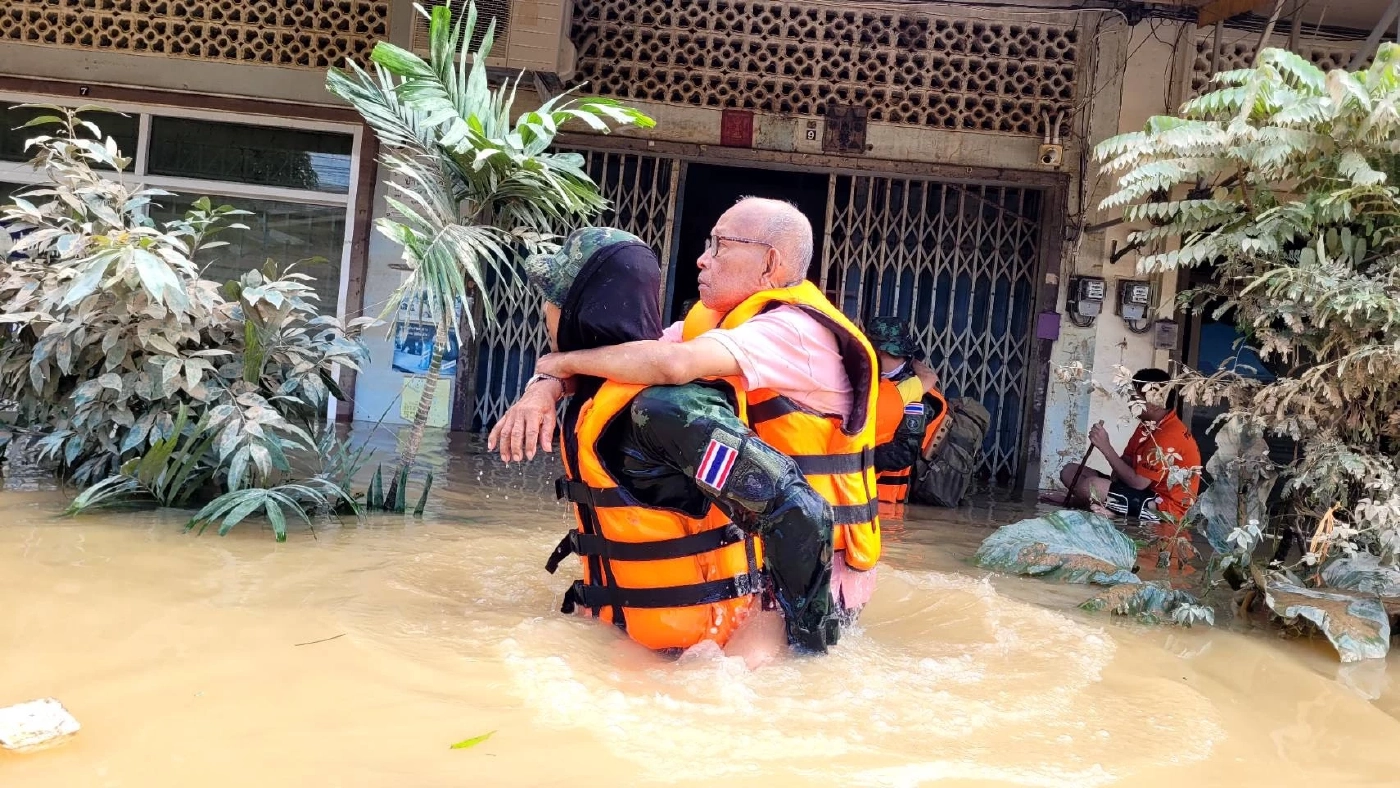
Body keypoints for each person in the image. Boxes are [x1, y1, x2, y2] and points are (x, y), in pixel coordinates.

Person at [521, 197, 882, 622]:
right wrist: (545, 387)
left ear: (770, 263)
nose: (701, 260)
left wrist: (559, 363)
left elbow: (671, 365)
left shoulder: (792, 330)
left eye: (719, 246)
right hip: (773, 541)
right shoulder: (719, 322)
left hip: (814, 571)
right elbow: (638, 355)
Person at [1056, 368, 1202, 521]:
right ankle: (1108, 507)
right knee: (1070, 471)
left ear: (1154, 403)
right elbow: (1125, 462)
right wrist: (1112, 486)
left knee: (1091, 486)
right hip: (1142, 491)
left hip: (1164, 507)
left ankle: (1115, 513)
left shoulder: (1169, 434)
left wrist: (1105, 447)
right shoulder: (1147, 424)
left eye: (1135, 397)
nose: (1130, 402)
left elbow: (1138, 483)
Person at [865, 317, 946, 519]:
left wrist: (854, 458)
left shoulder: (917, 394)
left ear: (880, 351)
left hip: (885, 505)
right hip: (864, 497)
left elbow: (903, 453)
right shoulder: (876, 382)